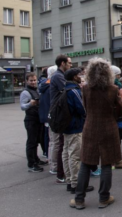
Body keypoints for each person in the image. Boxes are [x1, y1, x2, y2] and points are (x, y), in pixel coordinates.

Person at [69, 58, 122, 210]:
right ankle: (104, 198)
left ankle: (79, 199)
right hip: (108, 127)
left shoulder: (85, 89)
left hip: (90, 127)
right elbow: (121, 110)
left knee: (86, 163)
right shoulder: (113, 89)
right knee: (107, 163)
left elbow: (86, 107)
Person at [62, 68, 94, 194]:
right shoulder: (74, 91)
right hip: (75, 126)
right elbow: (82, 108)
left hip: (66, 126)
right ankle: (76, 184)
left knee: (67, 153)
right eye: (79, 75)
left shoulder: (65, 88)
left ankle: (70, 181)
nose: (81, 76)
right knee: (75, 156)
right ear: (75, 77)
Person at [49, 55, 72, 183]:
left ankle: (62, 172)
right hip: (59, 113)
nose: (70, 65)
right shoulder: (58, 76)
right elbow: (67, 89)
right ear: (63, 63)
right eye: (69, 63)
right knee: (62, 144)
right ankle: (60, 173)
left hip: (60, 111)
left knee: (63, 144)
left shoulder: (59, 75)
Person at [20, 72, 47, 172]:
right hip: (31, 120)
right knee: (31, 142)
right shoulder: (25, 92)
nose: (33, 82)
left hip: (37, 119)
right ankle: (31, 164)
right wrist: (30, 104)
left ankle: (36, 159)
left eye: (34, 80)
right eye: (31, 80)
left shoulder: (37, 90)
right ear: (27, 81)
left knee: (36, 141)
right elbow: (22, 106)